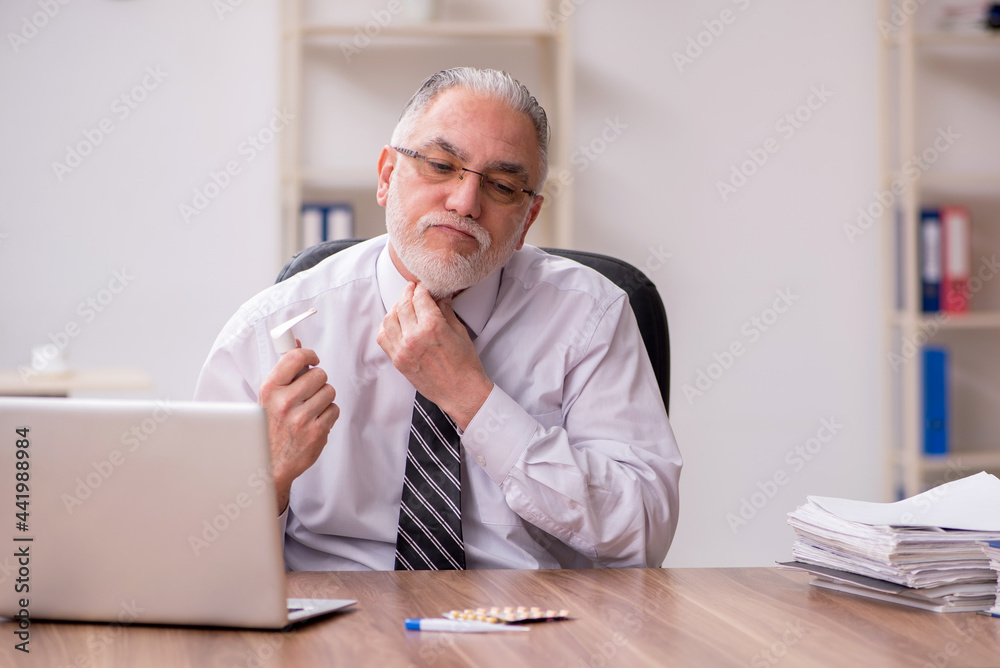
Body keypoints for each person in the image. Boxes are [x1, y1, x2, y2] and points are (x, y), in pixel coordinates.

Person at [194, 67, 682, 570]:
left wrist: (473, 399)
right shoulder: (270, 327)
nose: (464, 203)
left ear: (527, 220)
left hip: (530, 613)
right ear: (387, 176)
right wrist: (269, 478)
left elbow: (643, 534)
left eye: (501, 186)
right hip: (339, 610)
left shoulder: (591, 315)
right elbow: (196, 558)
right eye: (441, 165)